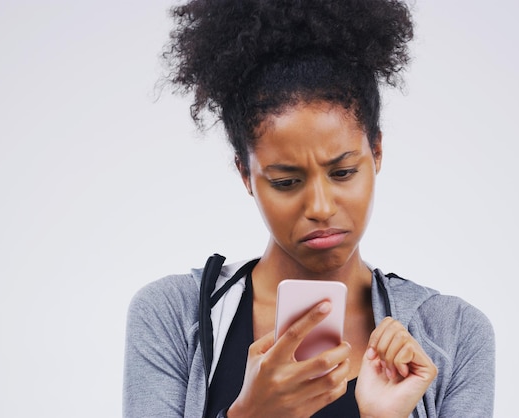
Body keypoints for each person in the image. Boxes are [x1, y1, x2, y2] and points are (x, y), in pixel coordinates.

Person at [123, 0, 495, 417]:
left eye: (342, 173)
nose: (320, 207)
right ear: (246, 175)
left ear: (376, 153)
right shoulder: (172, 316)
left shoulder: (454, 334)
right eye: (286, 182)